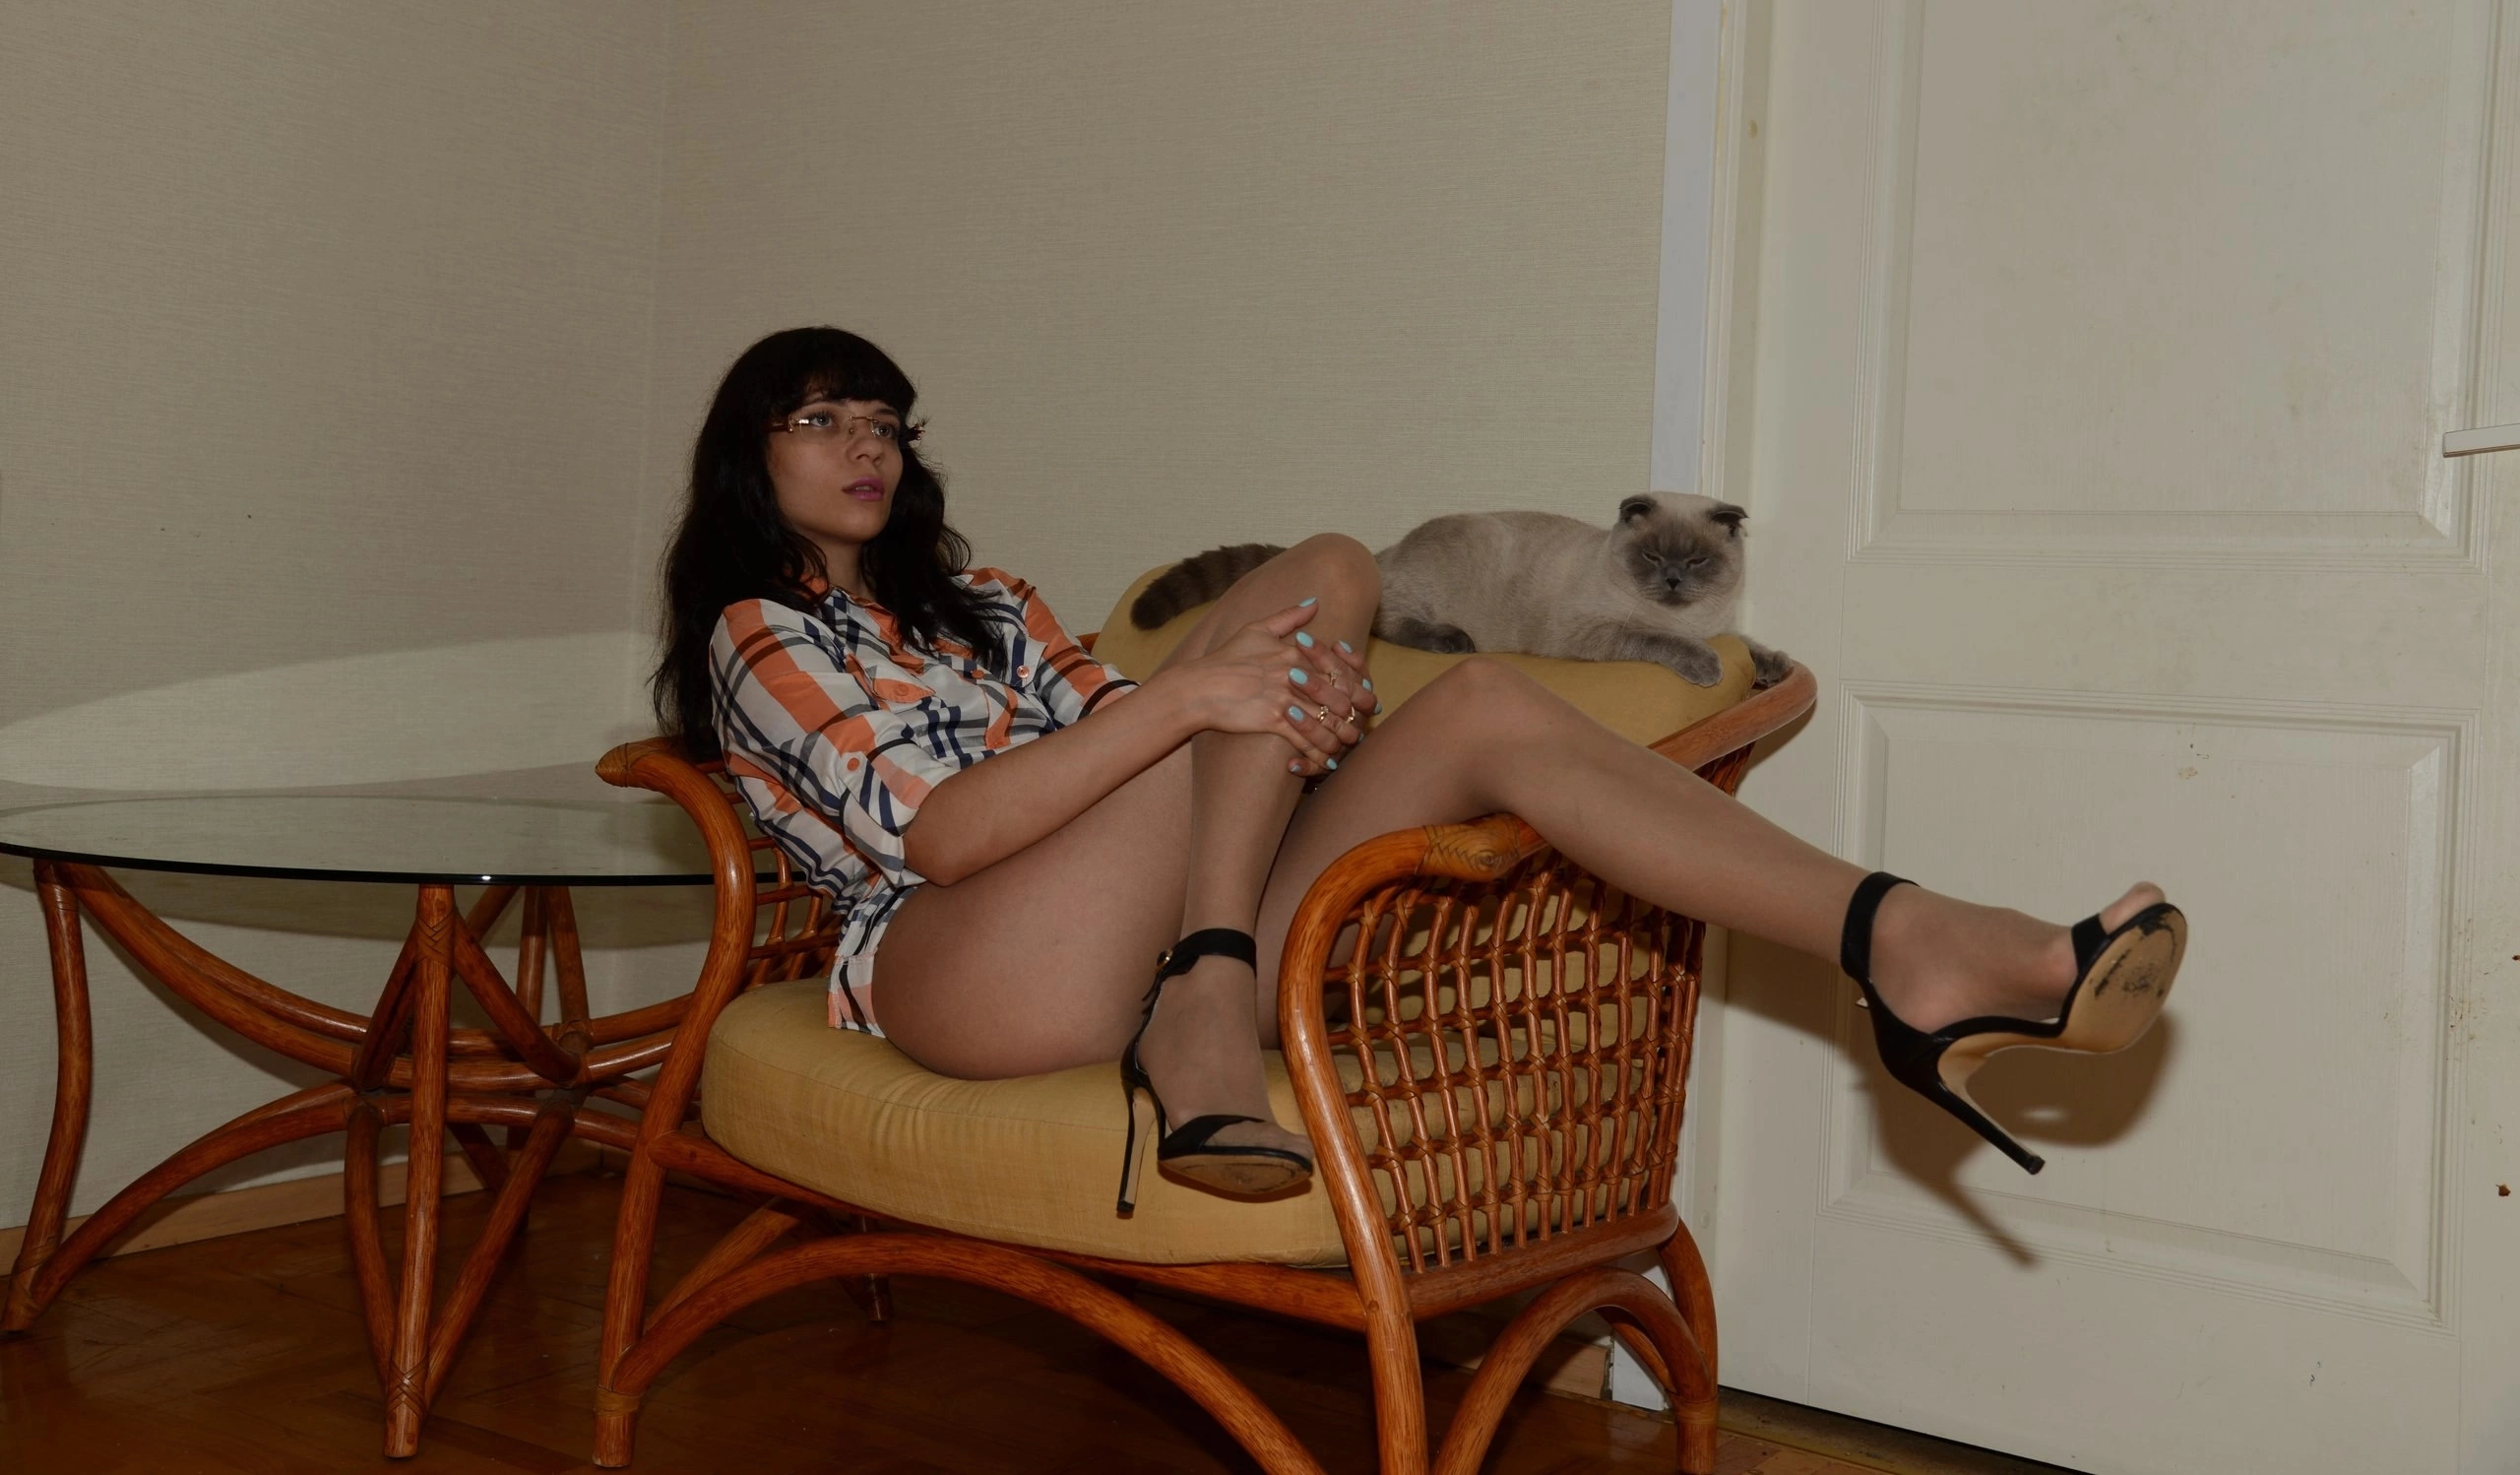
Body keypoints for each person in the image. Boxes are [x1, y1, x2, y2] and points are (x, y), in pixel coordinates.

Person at [655, 327, 2187, 1207]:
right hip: (972, 964)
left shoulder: (988, 606)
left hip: (1174, 922)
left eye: (885, 423)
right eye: (821, 420)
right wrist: (1212, 705)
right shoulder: (755, 632)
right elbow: (942, 834)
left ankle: (1912, 942)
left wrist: (1283, 720)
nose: (866, 446)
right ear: (751, 455)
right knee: (1235, 682)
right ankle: (1202, 997)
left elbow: (1137, 742)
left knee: (1433, 659)